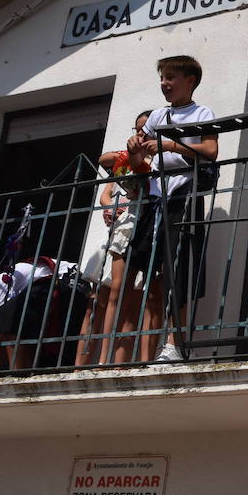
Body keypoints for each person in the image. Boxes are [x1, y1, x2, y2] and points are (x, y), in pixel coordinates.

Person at [126, 56, 217, 362]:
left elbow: (211, 151)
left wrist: (171, 146)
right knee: (148, 274)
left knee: (178, 272)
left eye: (171, 77)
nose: (164, 84)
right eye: (162, 78)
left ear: (190, 80)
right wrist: (134, 151)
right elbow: (139, 164)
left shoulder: (202, 112)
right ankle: (144, 353)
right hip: (155, 199)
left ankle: (172, 345)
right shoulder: (157, 116)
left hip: (184, 196)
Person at [79, 110, 152, 365]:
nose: (141, 133)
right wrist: (111, 207)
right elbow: (104, 169)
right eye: (137, 129)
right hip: (123, 225)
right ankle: (97, 361)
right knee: (107, 295)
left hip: (144, 224)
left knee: (133, 297)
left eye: (145, 129)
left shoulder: (159, 159)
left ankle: (116, 362)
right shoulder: (126, 160)